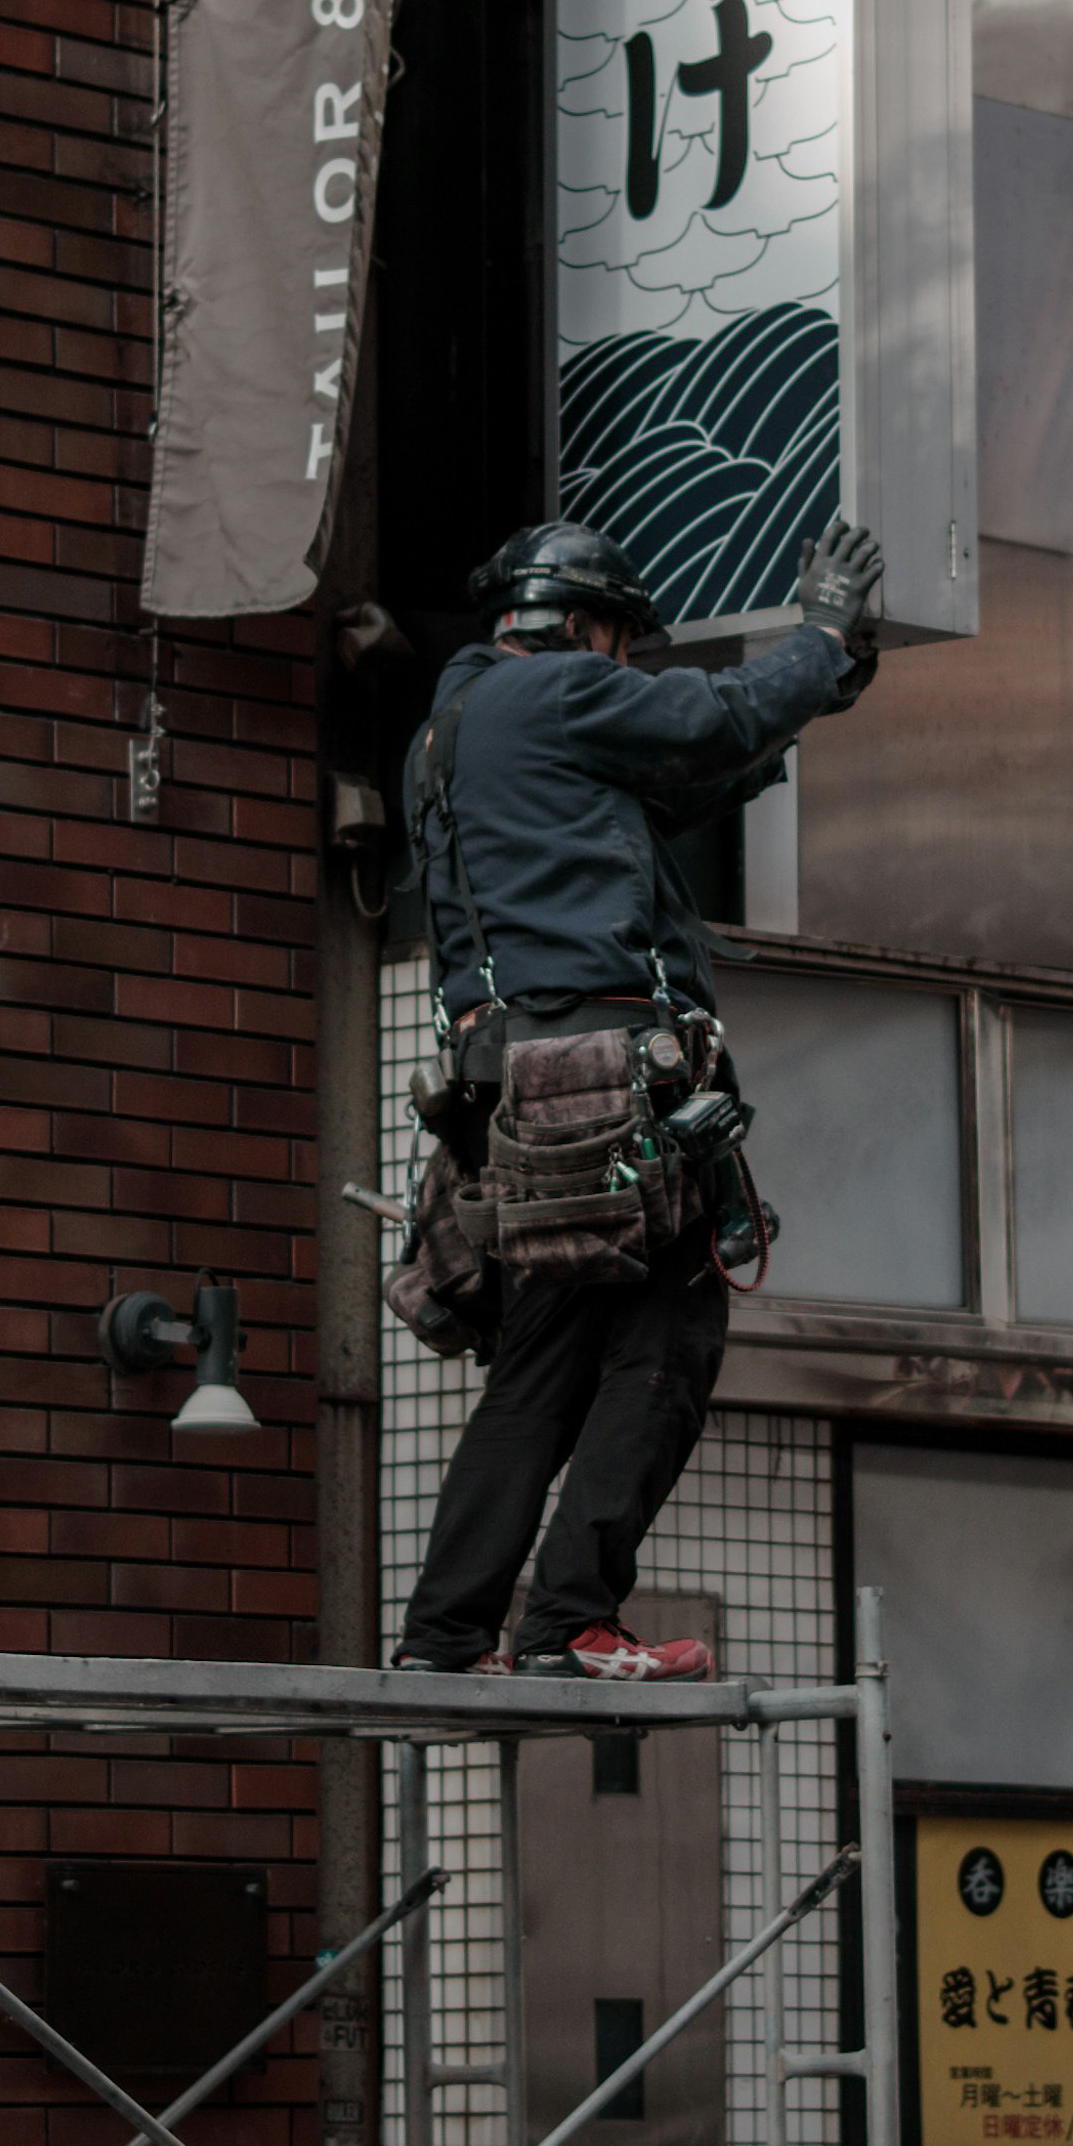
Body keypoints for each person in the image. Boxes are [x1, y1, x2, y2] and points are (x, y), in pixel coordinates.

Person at [391, 508, 885, 1675]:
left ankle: (449, 1632)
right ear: (579, 623)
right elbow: (712, 719)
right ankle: (567, 1619)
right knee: (674, 1328)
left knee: (543, 1368)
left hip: (518, 1094)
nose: (626, 663)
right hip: (610, 1082)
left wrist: (822, 686)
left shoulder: (454, 731)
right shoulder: (555, 692)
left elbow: (690, 775)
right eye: (621, 639)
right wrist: (818, 634)